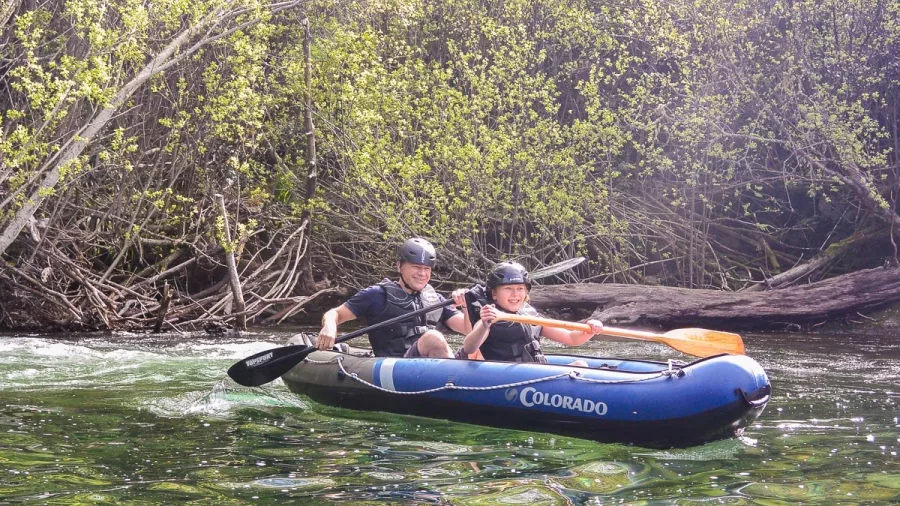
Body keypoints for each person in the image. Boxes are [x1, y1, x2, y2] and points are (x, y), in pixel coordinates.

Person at [316, 238, 471, 358]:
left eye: (426, 269)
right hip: (394, 367)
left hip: (428, 369)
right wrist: (330, 325)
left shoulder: (436, 300)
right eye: (416, 267)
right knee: (433, 338)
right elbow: (334, 314)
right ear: (399, 266)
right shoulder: (377, 295)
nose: (422, 274)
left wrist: (465, 304)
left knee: (475, 348)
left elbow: (468, 330)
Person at [460, 262, 603, 364]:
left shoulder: (530, 316)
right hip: (508, 377)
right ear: (494, 294)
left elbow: (572, 338)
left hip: (535, 372)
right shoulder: (490, 317)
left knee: (579, 365)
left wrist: (590, 330)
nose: (515, 294)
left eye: (520, 288)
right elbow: (469, 347)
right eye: (508, 288)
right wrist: (484, 325)